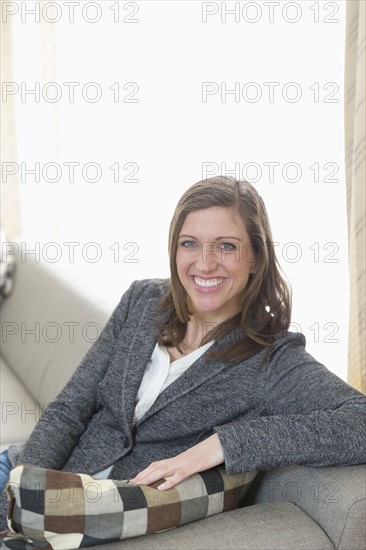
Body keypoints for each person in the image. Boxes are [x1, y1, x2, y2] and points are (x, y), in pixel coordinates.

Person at [0, 176, 365, 531]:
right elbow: (70, 409)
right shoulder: (142, 302)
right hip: (28, 478)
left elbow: (359, 421)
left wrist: (222, 444)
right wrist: (17, 497)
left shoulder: (272, 359)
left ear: (256, 256)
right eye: (190, 243)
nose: (204, 263)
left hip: (95, 518)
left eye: (226, 246)